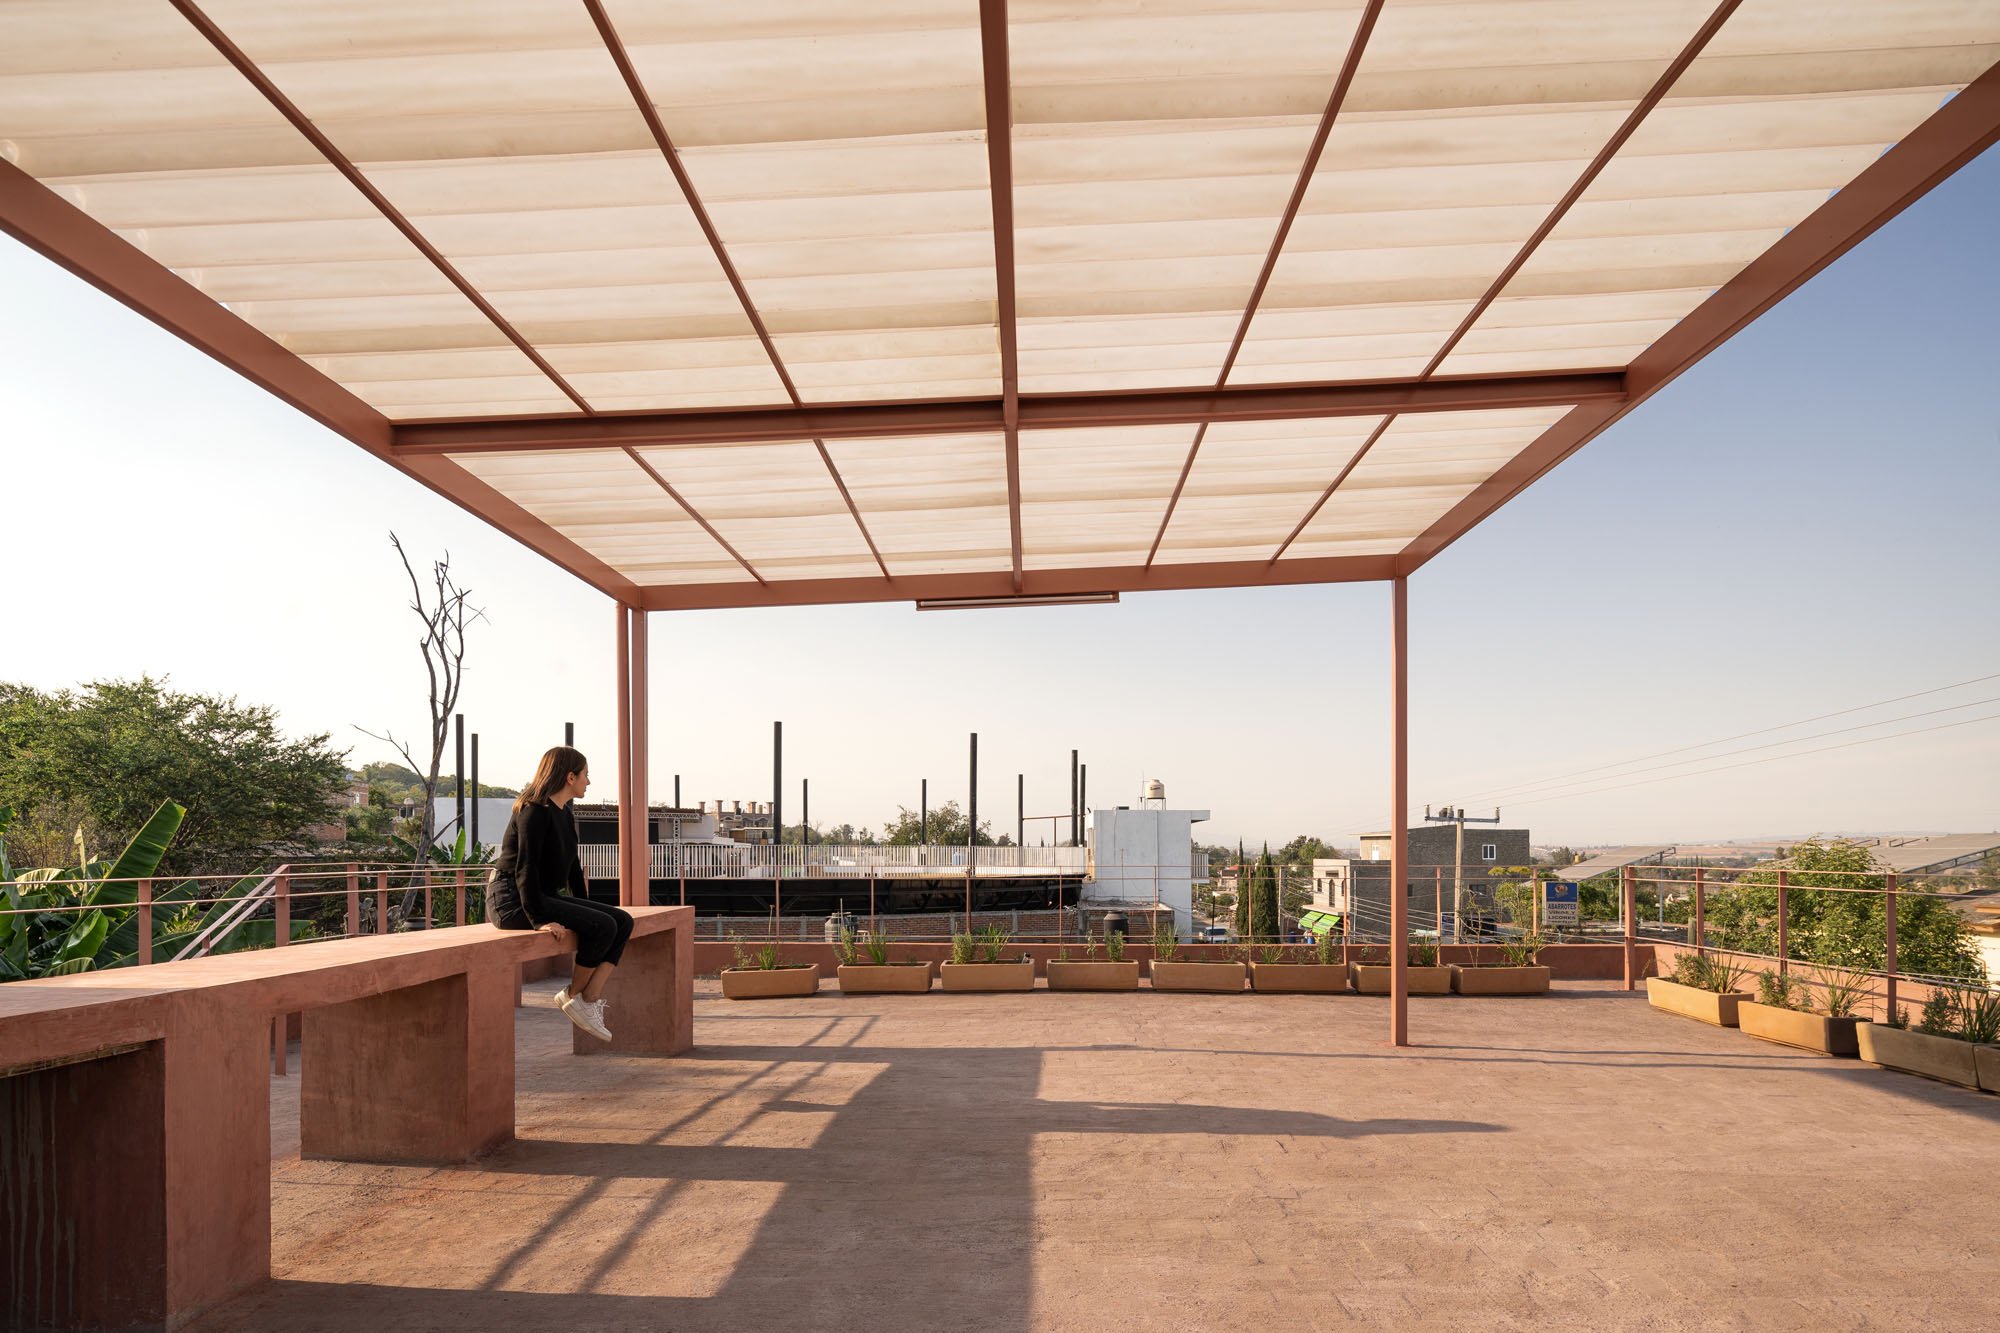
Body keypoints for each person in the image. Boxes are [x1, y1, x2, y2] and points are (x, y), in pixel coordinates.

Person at [487, 746, 632, 1041]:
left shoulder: (564, 814)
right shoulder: (533, 812)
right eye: (585, 776)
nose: (588, 782)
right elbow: (524, 870)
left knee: (621, 921)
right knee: (603, 925)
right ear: (569, 777)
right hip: (511, 901)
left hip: (540, 895)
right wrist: (539, 919)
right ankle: (574, 996)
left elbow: (573, 869)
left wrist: (586, 908)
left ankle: (587, 998)